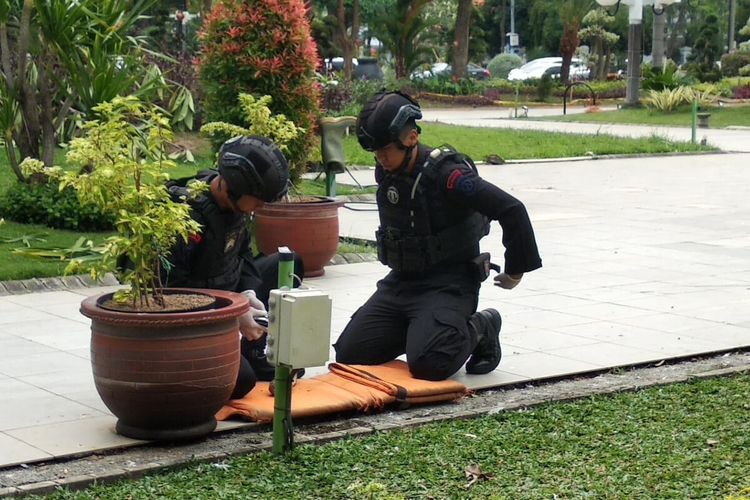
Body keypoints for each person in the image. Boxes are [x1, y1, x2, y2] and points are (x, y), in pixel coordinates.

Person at [333, 91, 542, 381]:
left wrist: (516, 270)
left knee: (430, 364)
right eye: (375, 153)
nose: (380, 159)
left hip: (449, 283)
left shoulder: (449, 176)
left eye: (385, 151)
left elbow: (511, 209)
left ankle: (482, 327)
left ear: (411, 138)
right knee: (351, 355)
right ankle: (424, 329)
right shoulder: (389, 171)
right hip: (401, 283)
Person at [163, 135, 304, 398]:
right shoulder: (185, 218)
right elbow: (173, 293)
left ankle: (252, 346)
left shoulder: (236, 209)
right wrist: (232, 314)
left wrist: (249, 294)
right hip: (196, 315)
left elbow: (244, 255)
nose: (260, 207)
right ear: (229, 188)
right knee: (241, 382)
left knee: (290, 262)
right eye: (258, 200)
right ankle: (241, 349)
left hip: (229, 294)